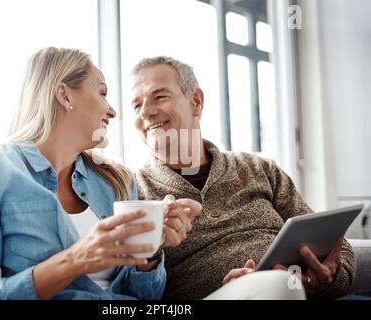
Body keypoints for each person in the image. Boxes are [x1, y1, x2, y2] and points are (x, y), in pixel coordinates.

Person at [0, 48, 201, 300]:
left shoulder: (115, 182)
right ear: (65, 96)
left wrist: (151, 247)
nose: (112, 111)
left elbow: (144, 298)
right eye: (102, 92)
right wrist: (76, 260)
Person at [130, 56, 355, 300]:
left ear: (196, 101)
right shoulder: (132, 190)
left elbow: (332, 242)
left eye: (159, 97)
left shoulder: (260, 168)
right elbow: (130, 287)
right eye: (136, 105)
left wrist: (327, 278)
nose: (146, 112)